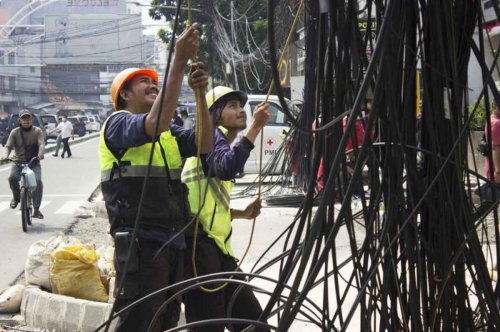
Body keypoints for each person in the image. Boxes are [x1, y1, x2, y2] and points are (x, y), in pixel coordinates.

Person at [99, 23, 212, 332]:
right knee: (138, 321)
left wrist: (200, 94)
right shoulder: (118, 124)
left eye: (154, 82)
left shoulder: (168, 132)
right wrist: (178, 60)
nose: (152, 85)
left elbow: (205, 144)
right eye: (142, 83)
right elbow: (156, 122)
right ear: (124, 94)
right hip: (141, 245)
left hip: (173, 243)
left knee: (165, 321)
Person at [181, 86, 270, 332]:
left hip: (216, 250)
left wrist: (241, 213)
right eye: (232, 106)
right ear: (215, 115)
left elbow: (208, 203)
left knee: (253, 323)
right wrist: (255, 128)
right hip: (198, 247)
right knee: (210, 326)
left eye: (240, 106)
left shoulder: (219, 146)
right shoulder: (211, 138)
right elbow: (226, 167)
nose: (241, 110)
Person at [0, 110, 45, 219]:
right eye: (24, 119)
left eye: (28, 118)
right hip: (18, 162)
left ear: (32, 120)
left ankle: (36, 209)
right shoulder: (14, 132)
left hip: (33, 162)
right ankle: (16, 198)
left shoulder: (37, 131)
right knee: (12, 178)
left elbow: (41, 144)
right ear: (19, 120)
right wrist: (4, 155)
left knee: (38, 182)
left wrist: (41, 154)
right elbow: (8, 146)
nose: (26, 121)